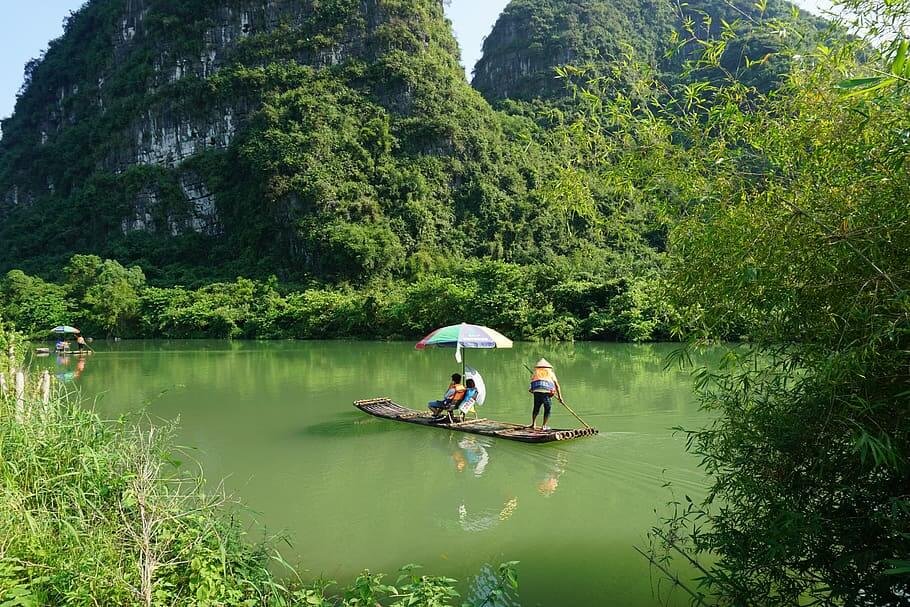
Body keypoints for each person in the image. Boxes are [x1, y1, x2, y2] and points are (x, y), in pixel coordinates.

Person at [528, 358, 563, 431]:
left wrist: (533, 390)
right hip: (546, 393)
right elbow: (557, 385)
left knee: (536, 408)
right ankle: (543, 426)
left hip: (537, 392)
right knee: (547, 409)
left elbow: (531, 387)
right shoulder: (551, 373)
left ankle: (533, 424)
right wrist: (560, 397)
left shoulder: (535, 373)